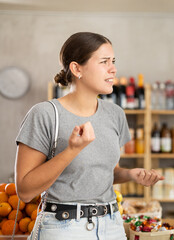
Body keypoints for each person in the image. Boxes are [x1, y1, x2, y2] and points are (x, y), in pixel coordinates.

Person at [15, 32, 164, 240]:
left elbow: (100, 174)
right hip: (63, 226)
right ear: (77, 69)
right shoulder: (45, 114)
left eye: (113, 61)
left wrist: (130, 174)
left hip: (111, 225)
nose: (113, 69)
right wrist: (72, 150)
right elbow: (25, 190)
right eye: (104, 62)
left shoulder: (115, 114)